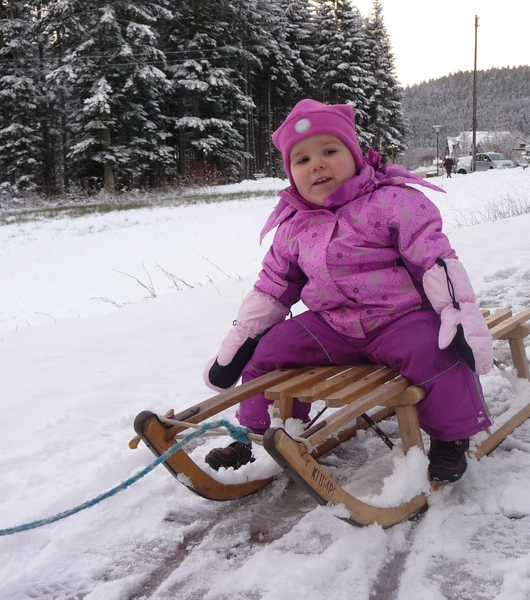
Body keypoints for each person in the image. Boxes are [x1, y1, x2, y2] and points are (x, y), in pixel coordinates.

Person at [204, 99, 493, 483]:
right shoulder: (294, 226)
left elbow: (432, 258)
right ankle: (255, 434)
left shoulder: (391, 201)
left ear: (355, 156)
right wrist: (244, 336)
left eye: (329, 151)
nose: (317, 164)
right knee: (266, 351)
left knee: (436, 351)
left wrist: (456, 312)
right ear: (291, 174)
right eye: (302, 159)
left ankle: (451, 437)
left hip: (399, 318)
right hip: (332, 325)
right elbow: (274, 285)